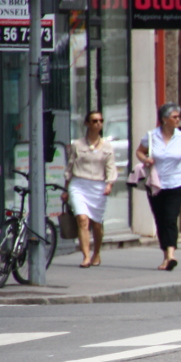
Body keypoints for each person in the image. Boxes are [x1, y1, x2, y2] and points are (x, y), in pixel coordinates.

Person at [136, 103, 181, 271]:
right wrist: (145, 159)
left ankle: (171, 255)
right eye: (174, 117)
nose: (178, 120)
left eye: (178, 117)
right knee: (160, 219)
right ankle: (165, 256)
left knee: (170, 218)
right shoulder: (151, 136)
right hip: (156, 184)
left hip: (176, 183)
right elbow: (139, 151)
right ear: (164, 119)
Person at [63, 110, 117, 268]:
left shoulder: (107, 146)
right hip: (79, 184)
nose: (98, 124)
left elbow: (110, 167)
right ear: (87, 123)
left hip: (97, 186)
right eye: (94, 121)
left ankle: (96, 252)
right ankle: (86, 256)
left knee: (97, 224)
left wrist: (109, 184)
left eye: (100, 121)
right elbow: (70, 167)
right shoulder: (77, 145)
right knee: (82, 219)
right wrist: (66, 189)